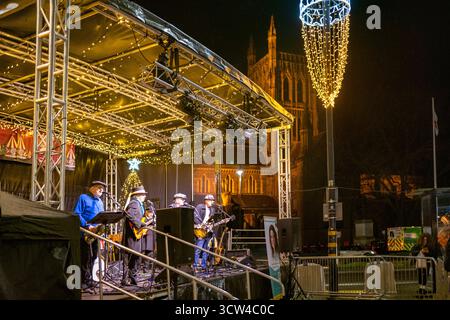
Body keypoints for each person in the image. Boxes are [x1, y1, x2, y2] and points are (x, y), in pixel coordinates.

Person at [73, 180, 107, 290]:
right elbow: (77, 213)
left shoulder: (100, 202)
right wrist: (88, 226)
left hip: (96, 235)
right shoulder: (83, 197)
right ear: (91, 188)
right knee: (85, 257)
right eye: (99, 187)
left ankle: (89, 279)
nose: (101, 189)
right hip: (85, 233)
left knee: (93, 257)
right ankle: (82, 281)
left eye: (102, 188)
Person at [122, 186, 153, 285]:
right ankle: (128, 279)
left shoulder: (138, 204)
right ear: (137, 195)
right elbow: (130, 215)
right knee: (132, 257)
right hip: (132, 235)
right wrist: (140, 224)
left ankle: (132, 278)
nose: (144, 196)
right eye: (143, 194)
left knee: (134, 257)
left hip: (136, 235)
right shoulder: (134, 203)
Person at [193, 194, 217, 271]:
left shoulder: (212, 209)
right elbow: (195, 217)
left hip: (208, 232)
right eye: (211, 200)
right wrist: (201, 225)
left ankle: (204, 266)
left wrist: (211, 225)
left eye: (213, 201)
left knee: (206, 250)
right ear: (206, 201)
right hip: (200, 230)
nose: (212, 202)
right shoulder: (200, 207)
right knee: (198, 249)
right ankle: (195, 266)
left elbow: (211, 221)